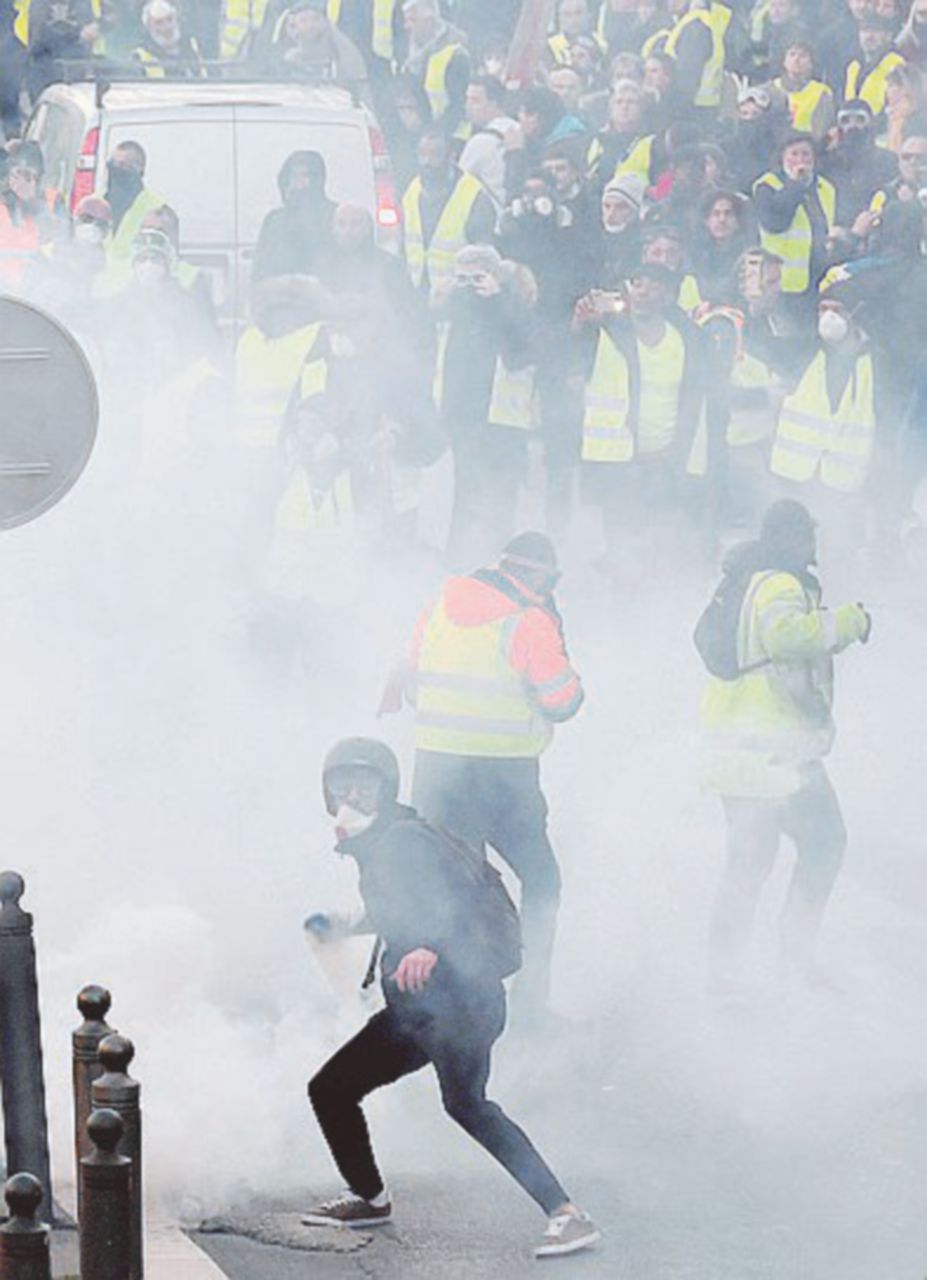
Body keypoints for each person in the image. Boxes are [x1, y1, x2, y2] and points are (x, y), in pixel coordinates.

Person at [304, 738, 599, 1258]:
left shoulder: (401, 843)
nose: (352, 793)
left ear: (386, 790)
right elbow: (404, 904)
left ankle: (568, 1215)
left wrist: (430, 947)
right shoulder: (384, 843)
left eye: (364, 784)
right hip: (422, 1008)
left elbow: (458, 902)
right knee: (332, 1088)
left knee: (470, 1106)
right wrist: (347, 922)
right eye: (340, 784)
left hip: (460, 1005)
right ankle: (371, 1198)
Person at [401, 531, 583, 1027]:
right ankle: (529, 1005)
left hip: (436, 774)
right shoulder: (530, 622)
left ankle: (447, 1007)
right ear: (540, 576)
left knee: (447, 892)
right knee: (542, 883)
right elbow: (562, 701)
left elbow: (412, 678)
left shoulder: (440, 603)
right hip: (504, 780)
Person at [700, 499, 871, 989]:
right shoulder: (776, 581)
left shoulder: (742, 580)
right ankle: (793, 960)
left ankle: (724, 980)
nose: (813, 547)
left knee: (748, 864)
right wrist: (849, 622)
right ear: (793, 539)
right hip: (775, 749)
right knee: (825, 843)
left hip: (738, 749)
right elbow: (785, 637)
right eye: (808, 537)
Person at [753, 132, 836, 324]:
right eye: (794, 154)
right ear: (782, 157)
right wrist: (795, 185)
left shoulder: (826, 188)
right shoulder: (767, 185)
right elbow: (774, 224)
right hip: (782, 282)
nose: (801, 160)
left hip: (819, 279)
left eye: (806, 154)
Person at [401, 128, 496, 295]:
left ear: (451, 157)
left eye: (435, 155)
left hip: (459, 295)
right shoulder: (412, 190)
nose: (426, 162)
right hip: (416, 292)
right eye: (422, 154)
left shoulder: (474, 196)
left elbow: (484, 257)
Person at [252, 149, 335, 284]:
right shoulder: (273, 220)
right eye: (293, 176)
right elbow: (260, 269)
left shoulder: (335, 217)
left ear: (317, 179)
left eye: (304, 176)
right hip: (280, 297)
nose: (298, 183)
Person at [266, 0, 370, 101]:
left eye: (314, 19)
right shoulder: (275, 61)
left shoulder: (346, 58)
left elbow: (360, 93)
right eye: (303, 20)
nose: (310, 25)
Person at [400, 0, 470, 135]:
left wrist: (436, 132)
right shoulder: (406, 46)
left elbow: (458, 103)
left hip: (449, 133)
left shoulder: (455, 51)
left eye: (412, 20)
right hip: (419, 130)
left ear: (429, 21)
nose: (406, 26)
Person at [458, 74, 519, 207]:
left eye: (475, 101)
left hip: (494, 219)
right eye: (467, 99)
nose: (467, 106)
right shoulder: (518, 130)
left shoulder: (480, 143)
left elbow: (459, 184)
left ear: (494, 104)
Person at [102, 141, 165, 264]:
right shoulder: (95, 204)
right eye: (112, 164)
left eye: (123, 166)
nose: (115, 170)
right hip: (95, 280)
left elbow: (166, 258)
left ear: (139, 170)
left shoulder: (156, 208)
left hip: (135, 280)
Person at [765, 38, 836, 141]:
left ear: (811, 63)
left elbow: (822, 129)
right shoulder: (769, 90)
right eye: (792, 54)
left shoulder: (822, 93)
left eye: (802, 56)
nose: (796, 59)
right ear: (784, 62)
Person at [843, 10, 906, 118]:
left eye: (876, 31)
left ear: (888, 35)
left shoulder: (896, 63)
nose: (869, 36)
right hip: (853, 126)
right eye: (864, 30)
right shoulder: (853, 66)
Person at [132, 0, 204, 76]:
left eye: (170, 19)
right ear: (149, 26)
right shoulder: (139, 57)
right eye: (159, 22)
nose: (167, 27)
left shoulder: (193, 45)